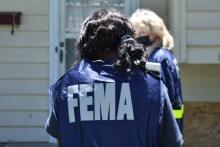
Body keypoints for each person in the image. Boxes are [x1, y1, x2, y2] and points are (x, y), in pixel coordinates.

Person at [45, 10, 183, 147]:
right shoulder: (152, 85)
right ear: (128, 42)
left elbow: (60, 136)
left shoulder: (66, 86)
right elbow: (173, 142)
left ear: (84, 43)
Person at [130, 9, 184, 133]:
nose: (137, 37)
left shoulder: (159, 58)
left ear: (155, 34)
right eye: (135, 33)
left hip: (164, 128)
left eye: (142, 32)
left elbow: (163, 97)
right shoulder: (160, 56)